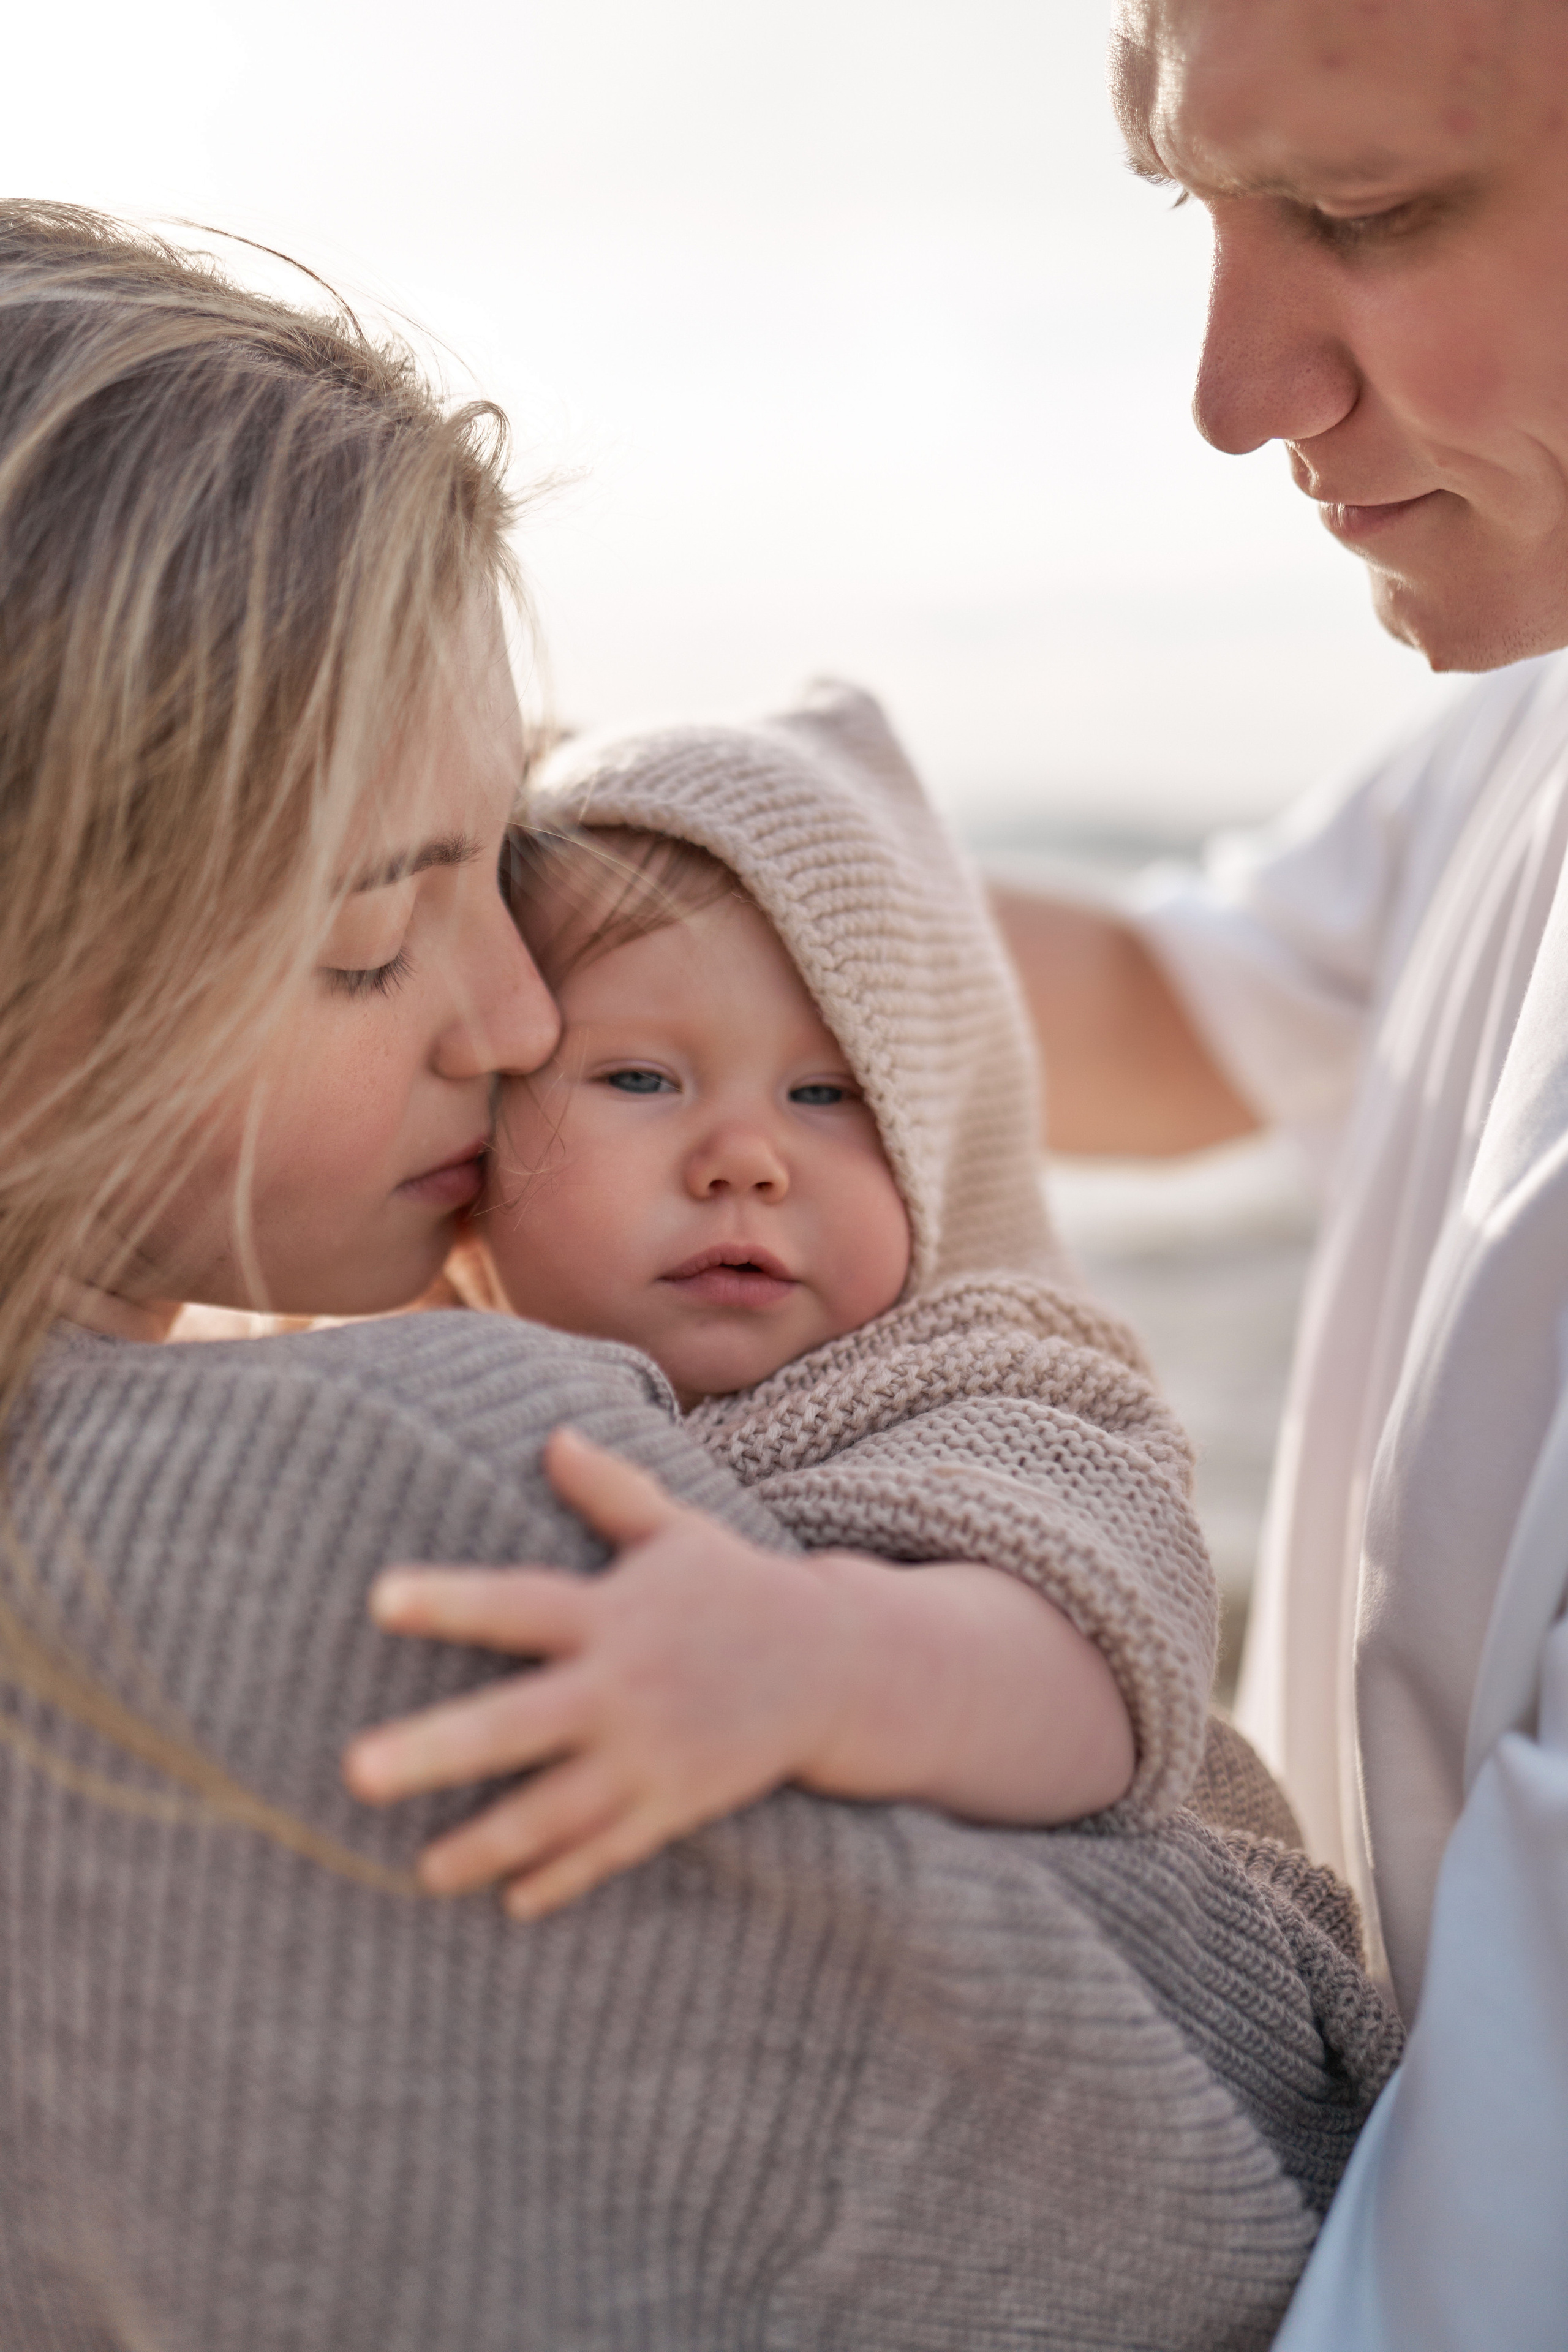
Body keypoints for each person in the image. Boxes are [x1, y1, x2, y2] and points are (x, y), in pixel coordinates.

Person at [0, 199, 1396, 2351]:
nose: (516, 1026)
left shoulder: (976, 1400)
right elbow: (1262, 2226)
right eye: (375, 936)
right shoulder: (437, 1504)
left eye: (500, 886)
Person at [991, 4, 1568, 2339]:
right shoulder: (1532, 707)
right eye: (1199, 214)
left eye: (1362, 215)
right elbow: (1162, 1004)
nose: (1235, 393)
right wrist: (476, 905)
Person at [344, 683, 1217, 1912]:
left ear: (932, 1140)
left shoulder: (986, 1392)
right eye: (640, 1077)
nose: (744, 1158)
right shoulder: (412, 1367)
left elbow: (1105, 1673)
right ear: (478, 1124)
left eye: (826, 1095)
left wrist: (818, 1661)